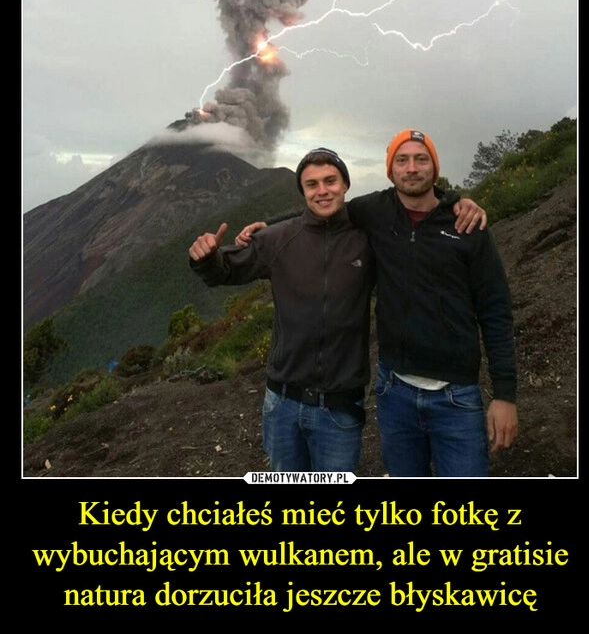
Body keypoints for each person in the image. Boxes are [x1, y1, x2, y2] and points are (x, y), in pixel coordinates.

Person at [237, 130, 516, 477]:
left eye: (420, 159)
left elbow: (495, 311)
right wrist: (268, 229)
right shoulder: (376, 212)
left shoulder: (466, 225)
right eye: (402, 160)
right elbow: (325, 211)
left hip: (456, 396)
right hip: (394, 391)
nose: (411, 168)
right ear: (390, 169)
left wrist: (505, 395)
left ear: (434, 166)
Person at [188, 148, 375, 473]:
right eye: (312, 184)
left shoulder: (368, 240)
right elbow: (226, 270)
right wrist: (205, 258)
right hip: (282, 404)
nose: (323, 190)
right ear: (303, 191)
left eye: (330, 181)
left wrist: (456, 205)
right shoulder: (278, 239)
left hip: (340, 406)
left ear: (345, 184)